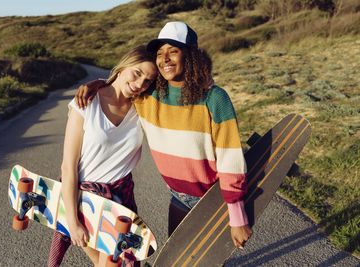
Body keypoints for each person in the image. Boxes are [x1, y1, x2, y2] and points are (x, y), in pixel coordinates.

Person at [75, 21, 253, 248]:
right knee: (179, 258)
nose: (164, 59)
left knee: (208, 261)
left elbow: (231, 158)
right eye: (159, 53)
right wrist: (98, 85)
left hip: (213, 199)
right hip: (178, 196)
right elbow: (124, 87)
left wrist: (237, 216)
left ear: (190, 56)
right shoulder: (149, 95)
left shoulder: (214, 98)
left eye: (173, 51)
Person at [47, 45, 157, 267]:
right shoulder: (86, 103)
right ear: (123, 66)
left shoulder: (142, 107)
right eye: (137, 73)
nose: (139, 84)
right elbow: (68, 166)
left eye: (147, 81)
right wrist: (71, 220)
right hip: (86, 202)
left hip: (121, 202)